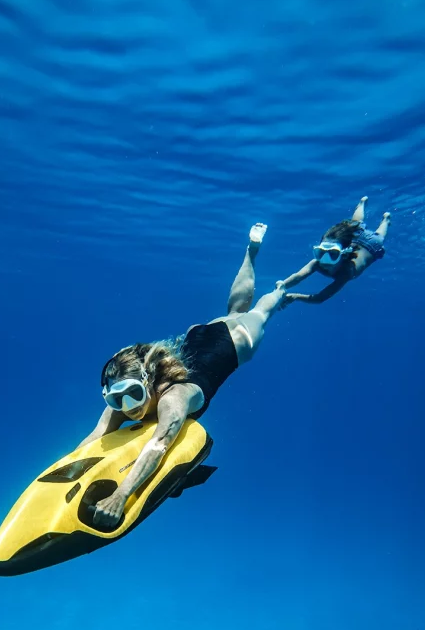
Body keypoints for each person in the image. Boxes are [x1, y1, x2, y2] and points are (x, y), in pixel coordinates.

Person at [78, 223, 286, 528]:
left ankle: (279, 291)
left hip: (237, 340)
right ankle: (251, 253)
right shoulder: (121, 399)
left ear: (148, 381)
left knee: (256, 311)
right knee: (233, 307)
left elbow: (159, 444)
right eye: (116, 397)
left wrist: (121, 495)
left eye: (133, 393)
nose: (127, 405)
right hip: (198, 337)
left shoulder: (174, 399)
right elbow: (95, 438)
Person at [278, 196, 390, 306]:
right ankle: (361, 204)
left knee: (378, 235)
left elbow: (320, 298)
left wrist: (296, 296)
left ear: (344, 255)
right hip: (355, 239)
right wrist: (281, 286)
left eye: (333, 254)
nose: (325, 260)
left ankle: (386, 220)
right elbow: (298, 276)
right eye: (321, 252)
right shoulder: (317, 262)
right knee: (355, 224)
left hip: (371, 245)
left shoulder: (345, 273)